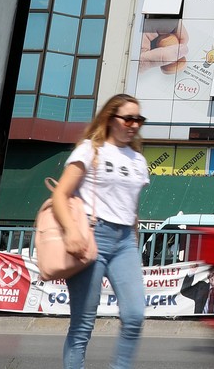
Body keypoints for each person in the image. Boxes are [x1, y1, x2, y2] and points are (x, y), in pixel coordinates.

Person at [52, 93, 150, 369]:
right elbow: (61, 194)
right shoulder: (89, 149)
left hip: (125, 243)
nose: (134, 124)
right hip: (91, 236)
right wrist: (71, 231)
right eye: (128, 118)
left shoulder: (138, 161)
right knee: (83, 324)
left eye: (139, 119)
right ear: (110, 118)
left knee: (134, 316)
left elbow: (131, 208)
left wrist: (134, 237)